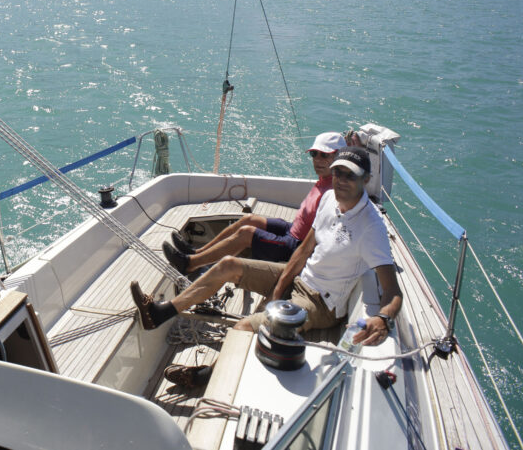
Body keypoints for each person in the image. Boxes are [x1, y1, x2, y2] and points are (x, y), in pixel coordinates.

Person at [132, 146, 402, 358]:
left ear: (366, 179)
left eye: (350, 175)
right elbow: (305, 249)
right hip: (300, 279)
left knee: (243, 327)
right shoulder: (330, 198)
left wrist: (384, 318)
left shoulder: (371, 227)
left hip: (322, 305)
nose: (341, 180)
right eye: (338, 173)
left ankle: (207, 374)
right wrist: (279, 288)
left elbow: (392, 290)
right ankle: (161, 313)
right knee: (227, 265)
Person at [161, 132, 347, 276]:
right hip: (292, 229)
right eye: (314, 154)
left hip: (297, 245)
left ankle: (189, 264)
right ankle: (197, 252)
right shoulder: (324, 179)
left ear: (339, 157)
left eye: (324, 155)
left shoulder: (335, 191)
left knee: (246, 233)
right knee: (248, 219)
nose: (317, 160)